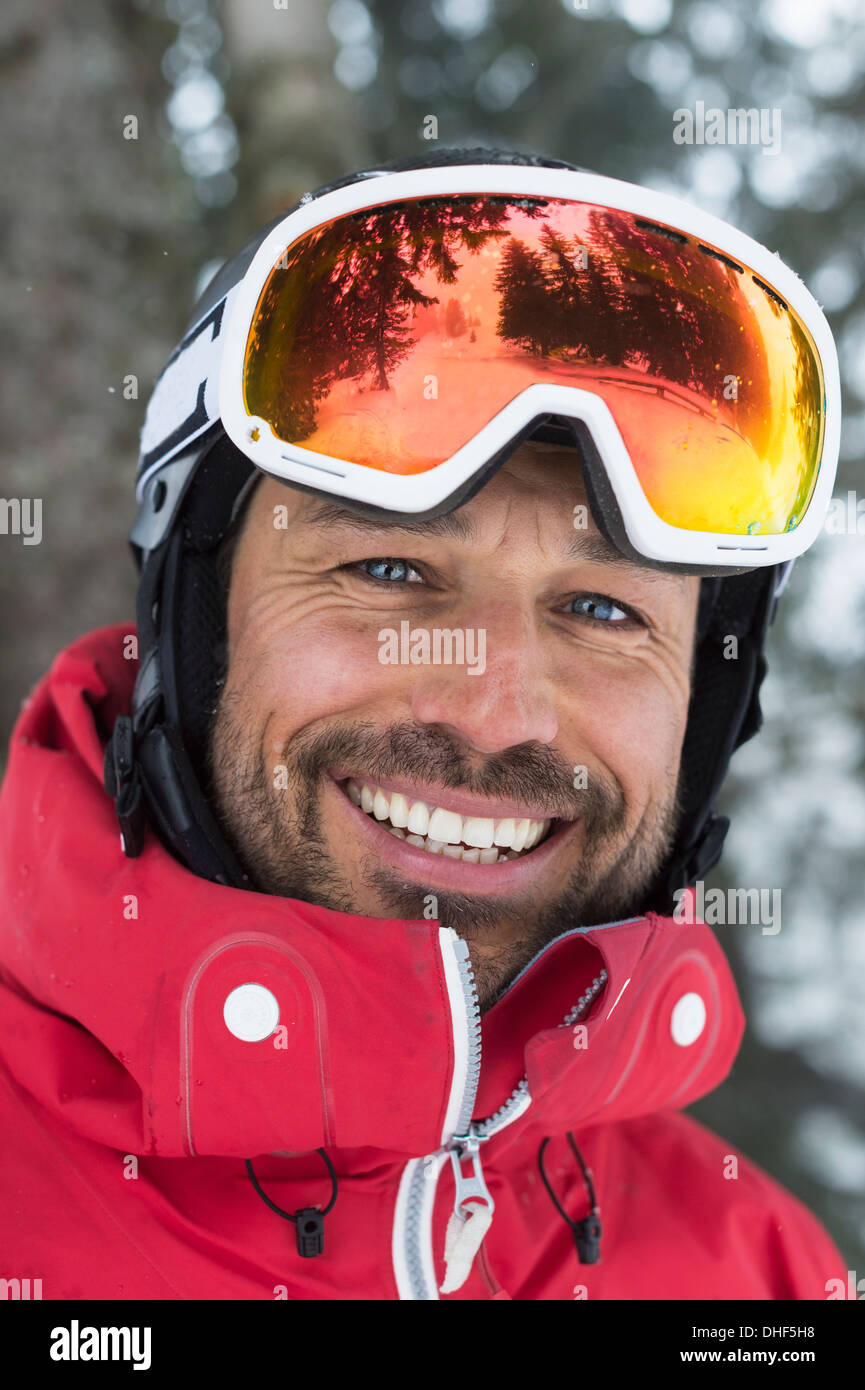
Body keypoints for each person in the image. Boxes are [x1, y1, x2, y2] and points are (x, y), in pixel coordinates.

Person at [0, 147, 848, 1300]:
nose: (496, 712)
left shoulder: (760, 1275)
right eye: (390, 567)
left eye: (601, 608)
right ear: (194, 619)